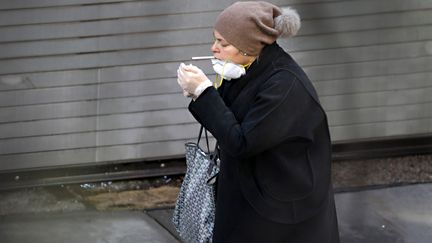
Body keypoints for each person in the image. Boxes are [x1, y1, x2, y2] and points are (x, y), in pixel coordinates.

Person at [176, 1, 340, 242]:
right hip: (251, 190)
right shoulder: (246, 66)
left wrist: (204, 92)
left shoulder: (284, 85)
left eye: (223, 43)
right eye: (215, 39)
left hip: (281, 205)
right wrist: (202, 93)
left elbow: (242, 142)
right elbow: (228, 116)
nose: (214, 48)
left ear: (247, 46)